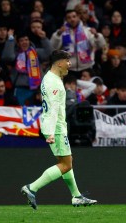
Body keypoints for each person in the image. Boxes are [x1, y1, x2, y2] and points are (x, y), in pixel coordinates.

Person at [20, 50, 97, 209]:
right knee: (66, 164)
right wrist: (49, 132)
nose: (69, 64)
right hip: (55, 128)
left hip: (56, 126)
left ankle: (76, 196)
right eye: (67, 61)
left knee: (65, 162)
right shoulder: (53, 82)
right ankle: (32, 188)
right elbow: (52, 109)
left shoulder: (51, 79)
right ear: (60, 62)